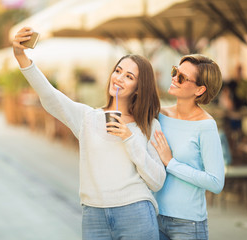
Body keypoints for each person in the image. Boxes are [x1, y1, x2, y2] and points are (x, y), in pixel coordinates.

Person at [13, 27, 166, 240]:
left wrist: (129, 138)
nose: (119, 78)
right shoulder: (88, 118)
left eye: (129, 76)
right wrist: (21, 56)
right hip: (94, 215)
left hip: (136, 213)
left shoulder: (149, 125)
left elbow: (157, 181)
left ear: (139, 88)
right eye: (118, 70)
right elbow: (49, 95)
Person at [151, 54, 225, 240]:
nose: (174, 78)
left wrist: (171, 163)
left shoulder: (206, 126)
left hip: (188, 225)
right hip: (153, 217)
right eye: (175, 72)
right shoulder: (158, 115)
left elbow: (216, 182)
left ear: (200, 89)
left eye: (182, 78)